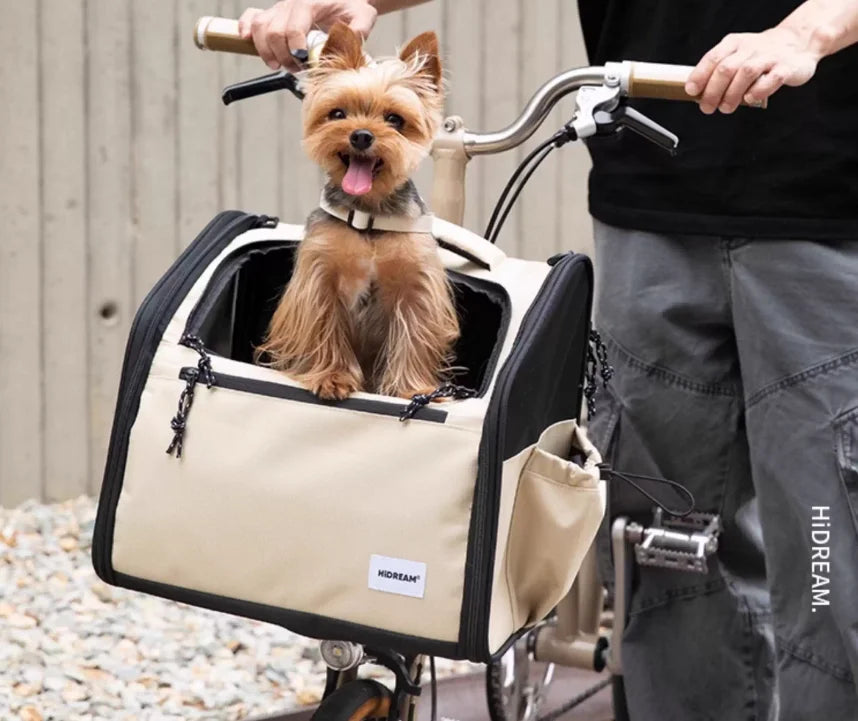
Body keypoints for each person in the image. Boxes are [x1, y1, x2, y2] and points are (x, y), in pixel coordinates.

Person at [240, 1, 858, 718]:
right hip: (648, 205)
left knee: (825, 547)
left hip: (827, 212)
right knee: (658, 547)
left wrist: (809, 30)